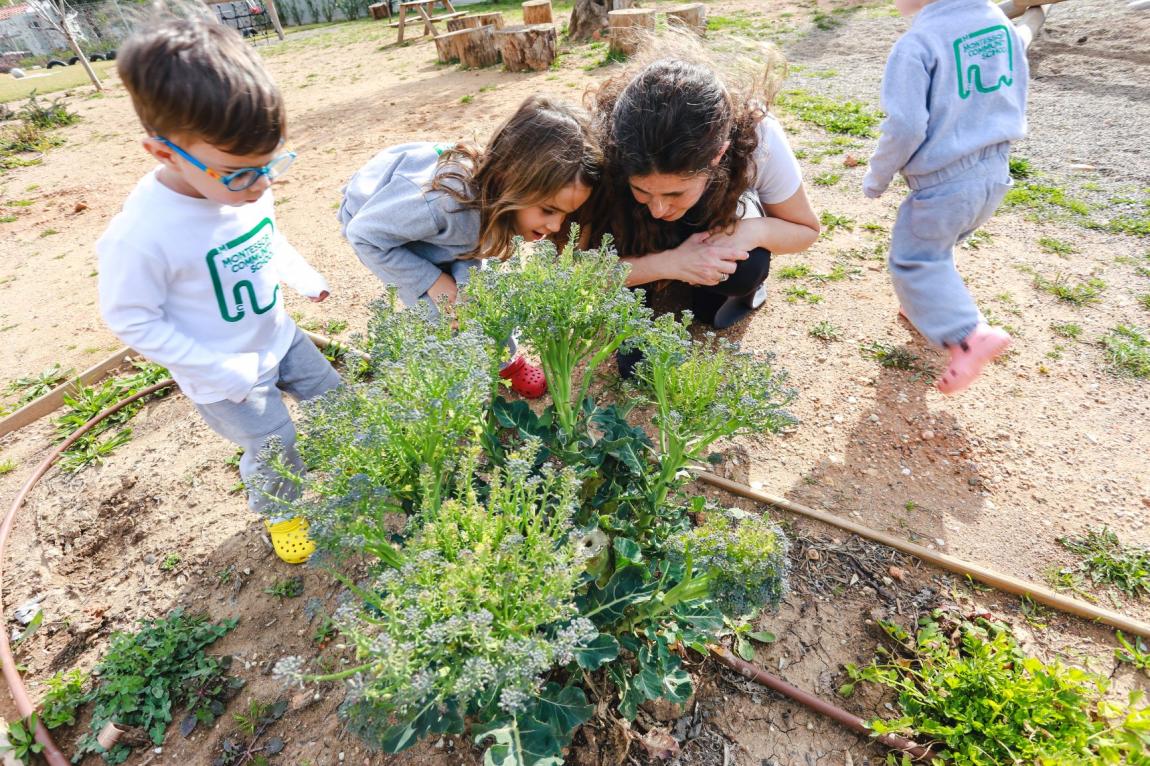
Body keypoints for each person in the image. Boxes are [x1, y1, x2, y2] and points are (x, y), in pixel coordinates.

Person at [98, 15, 338, 565]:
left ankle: (365, 464)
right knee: (274, 442)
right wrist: (214, 367)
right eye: (239, 172)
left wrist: (301, 275)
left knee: (336, 401)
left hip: (280, 336)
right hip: (222, 372)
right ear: (165, 153)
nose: (263, 183)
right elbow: (131, 318)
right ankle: (283, 511)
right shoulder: (141, 236)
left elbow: (265, 237)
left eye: (271, 163)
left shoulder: (243, 187)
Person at [338, 95, 602, 398]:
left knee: (482, 297)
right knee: (443, 315)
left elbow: (469, 243)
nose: (555, 226)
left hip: (446, 230)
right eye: (548, 210)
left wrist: (468, 288)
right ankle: (454, 390)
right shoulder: (441, 205)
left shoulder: (497, 204)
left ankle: (504, 363)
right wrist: (434, 281)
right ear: (512, 180)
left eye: (565, 214)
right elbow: (364, 235)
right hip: (383, 228)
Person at [587, 55, 820, 341]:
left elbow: (806, 230)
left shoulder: (762, 137)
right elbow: (577, 272)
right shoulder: (601, 143)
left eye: (675, 193)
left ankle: (706, 286)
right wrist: (669, 263)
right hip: (636, 234)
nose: (658, 209)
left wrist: (753, 232)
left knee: (746, 268)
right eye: (642, 191)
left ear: (718, 154)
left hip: (710, 219)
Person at [863, 0, 1027, 394]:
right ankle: (925, 307)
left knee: (916, 259)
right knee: (939, 248)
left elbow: (905, 126)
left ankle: (969, 334)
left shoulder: (917, 43)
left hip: (944, 183)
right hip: (995, 172)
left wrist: (877, 176)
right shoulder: (997, 23)